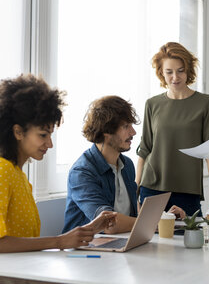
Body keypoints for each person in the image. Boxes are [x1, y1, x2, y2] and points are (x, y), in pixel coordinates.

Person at [0, 74, 116, 258]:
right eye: (43, 135)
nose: (49, 144)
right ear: (18, 132)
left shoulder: (18, 175)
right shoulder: (0, 172)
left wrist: (88, 229)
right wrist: (59, 241)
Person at [62, 96, 185, 234]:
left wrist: (165, 217)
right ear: (106, 131)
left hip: (121, 243)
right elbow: (108, 223)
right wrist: (157, 222)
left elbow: (131, 219)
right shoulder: (82, 172)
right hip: (87, 249)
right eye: (126, 126)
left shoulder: (127, 165)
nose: (133, 132)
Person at [136, 42, 209, 216]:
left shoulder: (206, 103)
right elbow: (145, 149)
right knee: (151, 242)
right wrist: (135, 189)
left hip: (188, 190)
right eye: (169, 72)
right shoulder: (152, 104)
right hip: (151, 188)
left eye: (180, 70)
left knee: (191, 240)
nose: (175, 77)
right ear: (161, 72)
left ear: (189, 70)